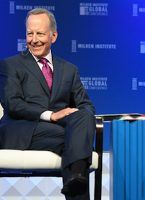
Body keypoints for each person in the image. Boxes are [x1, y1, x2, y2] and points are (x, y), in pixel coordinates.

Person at [0, 8, 95, 200]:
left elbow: (86, 106)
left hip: (56, 132)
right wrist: (50, 115)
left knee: (84, 115)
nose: (34, 39)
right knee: (77, 142)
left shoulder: (69, 70)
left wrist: (75, 116)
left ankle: (76, 177)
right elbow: (13, 104)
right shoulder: (10, 65)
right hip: (22, 130)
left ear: (54, 36)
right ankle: (77, 173)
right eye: (29, 33)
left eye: (40, 33)